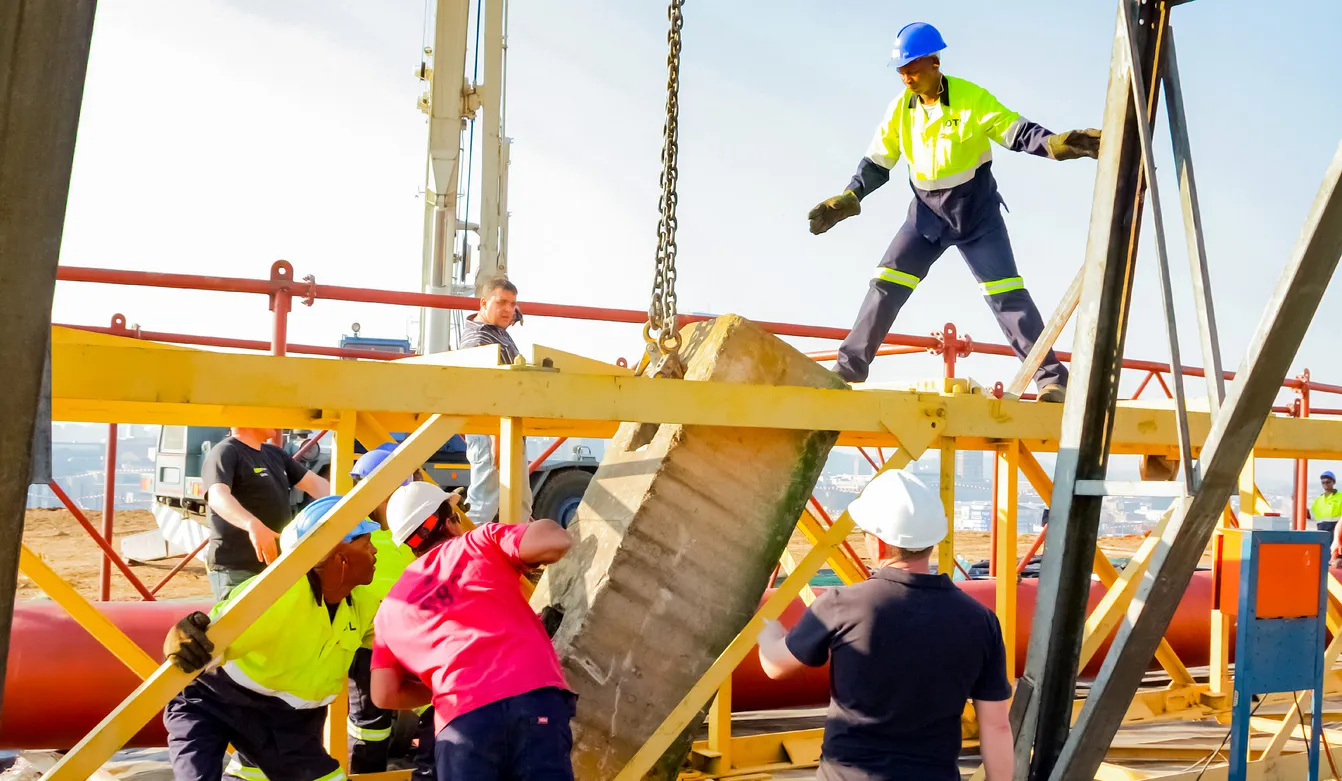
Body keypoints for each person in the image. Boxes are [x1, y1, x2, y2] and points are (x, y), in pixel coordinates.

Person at [808, 22, 1100, 401]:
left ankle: (1051, 379)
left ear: (934, 62)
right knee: (885, 284)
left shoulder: (970, 98)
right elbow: (879, 160)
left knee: (1006, 295)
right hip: (926, 217)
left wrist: (1054, 144)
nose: (906, 77)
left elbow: (1014, 130)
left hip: (977, 215)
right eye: (901, 71)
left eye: (912, 68)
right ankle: (846, 371)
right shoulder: (901, 109)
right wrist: (851, 195)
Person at [755, 470, 1013, 780]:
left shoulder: (841, 604)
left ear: (878, 545)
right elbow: (997, 725)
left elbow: (776, 666)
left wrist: (769, 633)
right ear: (933, 540)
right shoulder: (980, 620)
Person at [162, 495, 380, 781]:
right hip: (213, 703)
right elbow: (202, 639)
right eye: (366, 544)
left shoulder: (362, 605)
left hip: (289, 725)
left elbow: (395, 640)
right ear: (339, 556)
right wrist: (181, 639)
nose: (376, 551)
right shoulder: (274, 597)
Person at [371, 482, 575, 780]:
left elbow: (384, 693)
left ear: (409, 544)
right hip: (532, 700)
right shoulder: (478, 542)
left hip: (461, 723)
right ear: (450, 520)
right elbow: (555, 541)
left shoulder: (391, 608)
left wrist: (449, 685)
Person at [344, 446, 421, 774]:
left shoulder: (411, 531)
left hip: (409, 642)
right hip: (366, 646)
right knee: (369, 727)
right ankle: (366, 771)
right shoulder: (354, 532)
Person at [202, 427, 330, 601]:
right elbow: (217, 495)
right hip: (237, 569)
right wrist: (252, 524)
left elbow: (317, 486)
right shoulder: (225, 452)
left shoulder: (275, 454)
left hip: (276, 566)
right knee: (242, 627)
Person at [459, 277, 534, 524]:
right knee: (483, 503)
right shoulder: (478, 341)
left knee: (521, 503)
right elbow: (485, 391)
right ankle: (462, 560)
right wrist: (497, 437)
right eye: (502, 302)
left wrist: (511, 313)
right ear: (483, 303)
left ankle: (518, 558)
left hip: (508, 426)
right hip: (492, 428)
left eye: (513, 304)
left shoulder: (495, 331)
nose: (509, 310)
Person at [1312, 471, 1342, 556]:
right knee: (1323, 554)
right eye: (1323, 482)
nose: (1325, 484)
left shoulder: (1340, 497)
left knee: (1336, 554)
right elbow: (1311, 515)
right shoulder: (1318, 500)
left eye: (1328, 482)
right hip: (1322, 529)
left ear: (1333, 482)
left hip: (1336, 528)